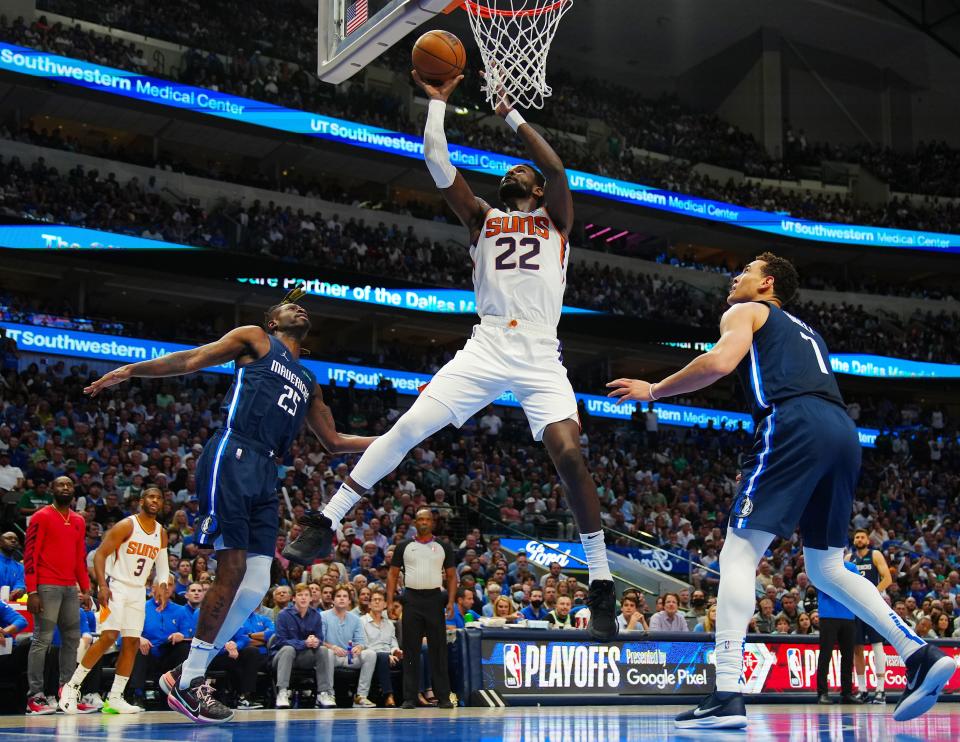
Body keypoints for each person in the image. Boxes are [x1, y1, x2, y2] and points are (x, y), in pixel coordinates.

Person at [286, 70, 618, 642]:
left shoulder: (558, 223)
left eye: (524, 173)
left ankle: (602, 580)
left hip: (539, 350)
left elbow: (560, 169)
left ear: (537, 191)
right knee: (410, 425)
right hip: (487, 342)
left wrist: (513, 114)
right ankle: (327, 519)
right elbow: (438, 166)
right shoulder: (483, 218)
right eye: (512, 171)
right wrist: (437, 103)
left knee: (569, 456)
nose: (514, 170)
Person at [608, 253, 954, 729]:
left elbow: (719, 362)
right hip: (841, 431)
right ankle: (918, 652)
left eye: (746, 270)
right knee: (827, 565)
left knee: (738, 556)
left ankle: (727, 690)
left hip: (793, 423)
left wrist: (653, 391)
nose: (736, 277)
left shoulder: (747, 311)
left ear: (767, 283)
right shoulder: (809, 331)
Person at [85, 290, 375, 723]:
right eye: (288, 306)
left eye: (302, 308)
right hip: (233, 453)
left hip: (267, 472)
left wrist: (398, 439)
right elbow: (190, 359)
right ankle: (188, 683)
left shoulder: (309, 380)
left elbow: (334, 442)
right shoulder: (256, 338)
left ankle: (187, 673)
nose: (300, 308)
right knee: (234, 568)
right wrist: (132, 371)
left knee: (258, 581)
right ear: (272, 321)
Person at [59, 487, 169, 715]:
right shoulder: (127, 525)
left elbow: (163, 567)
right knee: (108, 637)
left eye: (159, 498)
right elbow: (100, 554)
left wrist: (162, 585)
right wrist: (102, 585)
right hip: (117, 587)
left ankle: (115, 697)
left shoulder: (161, 532)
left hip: (138, 592)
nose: (154, 501)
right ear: (141, 501)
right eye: (150, 496)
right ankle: (71, 687)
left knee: (131, 643)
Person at [23, 476, 89, 715]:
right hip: (46, 587)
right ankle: (35, 696)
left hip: (71, 588)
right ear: (52, 489)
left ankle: (66, 693)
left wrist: (86, 588)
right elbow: (30, 555)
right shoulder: (41, 516)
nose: (65, 488)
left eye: (69, 485)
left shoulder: (79, 520)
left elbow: (80, 557)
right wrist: (32, 590)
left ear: (74, 491)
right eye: (60, 484)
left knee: (72, 640)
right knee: (43, 640)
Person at [386, 509, 456, 709]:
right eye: (420, 519)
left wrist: (450, 601)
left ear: (433, 523)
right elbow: (392, 575)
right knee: (411, 649)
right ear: (415, 523)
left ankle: (443, 697)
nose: (424, 522)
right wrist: (390, 602)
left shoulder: (443, 547)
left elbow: (452, 576)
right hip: (412, 598)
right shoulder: (404, 546)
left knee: (438, 649)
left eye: (427, 519)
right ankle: (410, 697)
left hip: (435, 598)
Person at [850, 528, 893, 704]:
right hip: (855, 607)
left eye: (862, 537)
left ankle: (881, 690)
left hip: (872, 605)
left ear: (868, 540)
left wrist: (873, 593)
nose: (859, 540)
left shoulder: (875, 555)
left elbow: (887, 579)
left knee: (877, 646)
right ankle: (862, 690)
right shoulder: (848, 559)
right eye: (856, 537)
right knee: (857, 648)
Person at [271, 584, 330, 709]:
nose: (303, 598)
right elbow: (280, 641)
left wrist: (315, 641)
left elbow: (320, 638)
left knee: (323, 650)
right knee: (288, 649)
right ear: (294, 598)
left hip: (304, 657)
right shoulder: (283, 615)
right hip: (282, 658)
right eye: (300, 595)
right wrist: (304, 643)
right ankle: (282, 692)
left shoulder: (315, 615)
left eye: (306, 595)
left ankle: (323, 693)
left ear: (311, 599)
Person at [320, 586, 377, 708]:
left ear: (349, 601)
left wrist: (359, 648)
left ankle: (361, 696)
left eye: (345, 596)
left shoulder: (355, 619)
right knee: (326, 652)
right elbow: (320, 641)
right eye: (338, 596)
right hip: (332, 657)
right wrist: (333, 647)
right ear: (333, 600)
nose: (342, 599)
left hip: (350, 658)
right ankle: (329, 694)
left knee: (371, 654)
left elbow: (361, 641)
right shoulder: (323, 616)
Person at [817, 561, 861, 705]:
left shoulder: (851, 567)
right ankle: (822, 693)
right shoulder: (822, 563)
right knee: (825, 655)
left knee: (848, 656)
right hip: (828, 615)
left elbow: (856, 586)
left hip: (848, 615)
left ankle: (847, 693)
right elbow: (823, 585)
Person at [361, 590, 402, 707]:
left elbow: (393, 642)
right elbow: (364, 644)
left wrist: (396, 651)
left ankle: (416, 694)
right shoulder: (362, 622)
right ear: (369, 604)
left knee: (414, 658)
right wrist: (387, 655)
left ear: (385, 605)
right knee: (383, 657)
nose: (377, 602)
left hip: (389, 655)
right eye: (374, 600)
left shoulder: (389, 624)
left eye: (380, 600)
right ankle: (389, 695)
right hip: (373, 656)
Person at [0, 531, 26, 600]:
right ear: (0, 543)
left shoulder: (20, 567)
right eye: (9, 538)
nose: (13, 540)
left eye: (16, 539)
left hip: (9, 606)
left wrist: (19, 590)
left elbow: (20, 584)